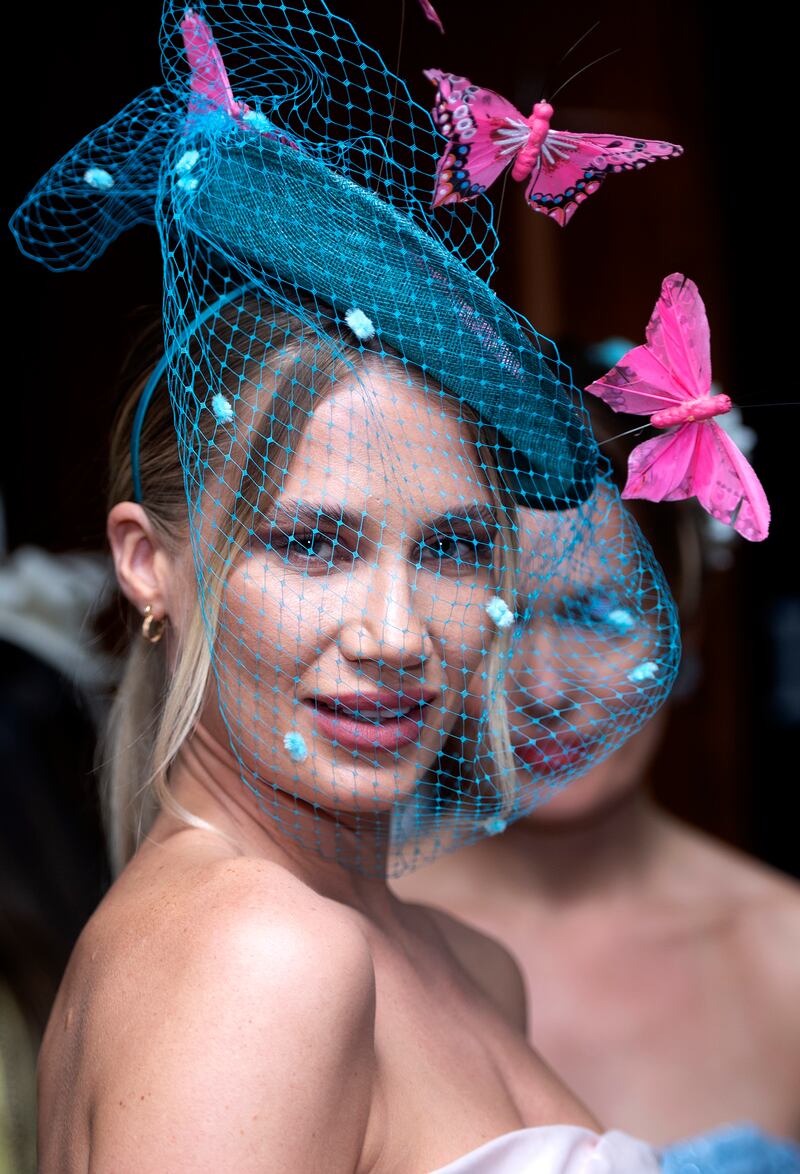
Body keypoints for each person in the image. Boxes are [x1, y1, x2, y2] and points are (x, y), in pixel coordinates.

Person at [11, 3, 681, 1169]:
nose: (394, 634)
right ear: (147, 560)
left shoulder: (465, 965)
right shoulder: (259, 958)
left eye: (457, 547)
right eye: (313, 544)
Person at [395, 394, 800, 1163]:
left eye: (600, 616)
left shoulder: (790, 958)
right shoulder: (343, 934)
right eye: (496, 619)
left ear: (685, 624)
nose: (545, 688)